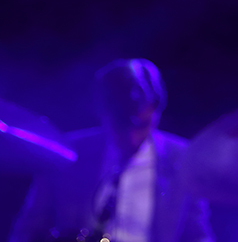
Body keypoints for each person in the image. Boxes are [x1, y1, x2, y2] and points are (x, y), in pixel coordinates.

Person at [8, 59, 214, 242]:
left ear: (157, 112)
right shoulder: (67, 154)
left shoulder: (182, 159)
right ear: (103, 112)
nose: (131, 138)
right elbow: (28, 229)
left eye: (141, 126)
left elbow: (197, 234)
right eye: (122, 125)